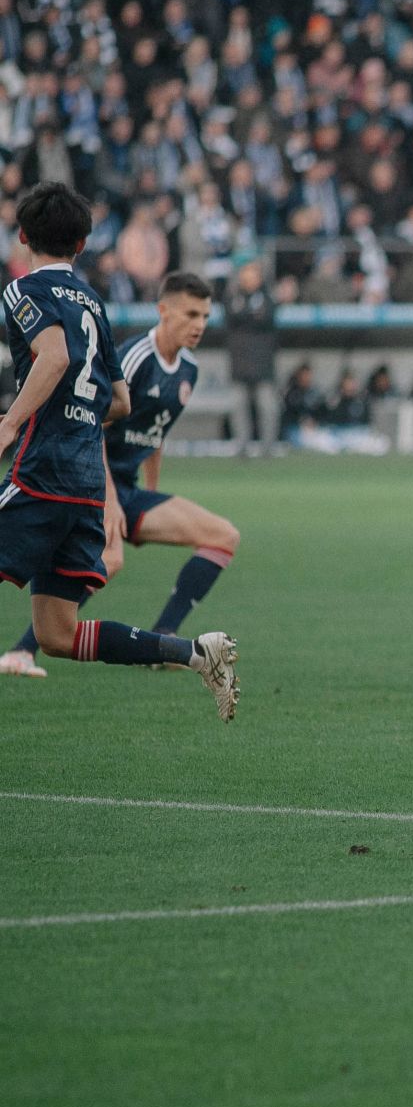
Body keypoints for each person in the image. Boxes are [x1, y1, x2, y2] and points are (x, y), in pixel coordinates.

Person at [0, 183, 238, 717]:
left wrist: (12, 422)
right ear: (82, 244)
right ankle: (191, 651)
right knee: (58, 633)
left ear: (21, 237)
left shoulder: (21, 290)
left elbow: (55, 357)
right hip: (87, 484)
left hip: (43, 470)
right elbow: (122, 400)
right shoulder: (94, 301)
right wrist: (82, 410)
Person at [225, 260, 278, 453]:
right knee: (238, 406)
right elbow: (232, 317)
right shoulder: (233, 297)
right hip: (239, 361)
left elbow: (266, 317)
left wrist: (247, 316)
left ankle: (268, 446)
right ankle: (241, 445)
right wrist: (251, 316)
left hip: (263, 362)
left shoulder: (266, 297)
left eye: (253, 274)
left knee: (267, 405)